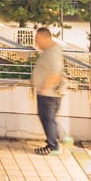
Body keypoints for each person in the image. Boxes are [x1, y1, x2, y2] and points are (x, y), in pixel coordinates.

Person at [31, 27, 65, 155]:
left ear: (46, 38)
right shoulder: (50, 51)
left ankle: (53, 147)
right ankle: (53, 141)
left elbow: (55, 73)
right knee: (47, 118)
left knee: (48, 118)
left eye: (37, 38)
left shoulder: (53, 53)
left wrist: (45, 88)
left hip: (49, 95)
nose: (36, 41)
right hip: (48, 94)